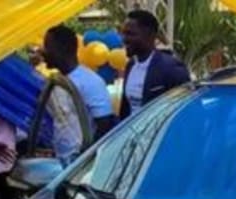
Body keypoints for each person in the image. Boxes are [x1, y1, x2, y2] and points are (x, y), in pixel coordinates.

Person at [43, 25, 117, 165]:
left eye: (47, 46)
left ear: (62, 49)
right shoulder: (56, 82)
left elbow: (105, 125)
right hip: (61, 162)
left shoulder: (90, 82)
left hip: (80, 165)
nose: (43, 52)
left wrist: (85, 161)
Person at [119, 9, 190, 120]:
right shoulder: (131, 65)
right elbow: (126, 110)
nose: (124, 39)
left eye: (130, 34)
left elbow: (185, 113)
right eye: (123, 33)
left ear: (150, 35)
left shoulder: (172, 68)